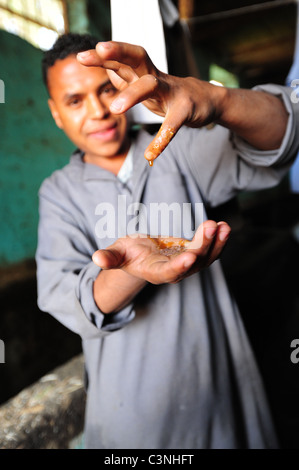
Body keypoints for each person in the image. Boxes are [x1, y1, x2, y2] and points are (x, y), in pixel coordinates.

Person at [36, 32, 299, 449]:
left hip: (220, 390)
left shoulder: (177, 147)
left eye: (106, 90)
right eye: (74, 100)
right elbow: (67, 297)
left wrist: (220, 101)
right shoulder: (59, 192)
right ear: (55, 113)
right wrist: (130, 271)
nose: (99, 111)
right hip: (132, 413)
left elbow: (281, 140)